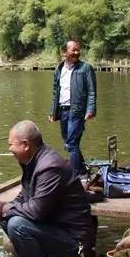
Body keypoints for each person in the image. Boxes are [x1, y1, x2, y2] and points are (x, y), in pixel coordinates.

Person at [0, 121, 93, 257]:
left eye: (11, 145)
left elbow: (37, 211)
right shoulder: (33, 162)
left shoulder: (49, 167)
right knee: (7, 218)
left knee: (16, 224)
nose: (9, 150)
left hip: (74, 240)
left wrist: (2, 210)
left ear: (25, 145)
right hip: (56, 228)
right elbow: (23, 197)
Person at [48, 40, 97, 178]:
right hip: (62, 110)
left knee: (71, 143)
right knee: (69, 142)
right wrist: (53, 110)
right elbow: (55, 91)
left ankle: (75, 176)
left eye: (78, 50)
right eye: (73, 50)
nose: (77, 53)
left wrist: (91, 109)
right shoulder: (59, 69)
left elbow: (92, 91)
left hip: (77, 110)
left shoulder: (85, 68)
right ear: (64, 52)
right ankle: (81, 170)